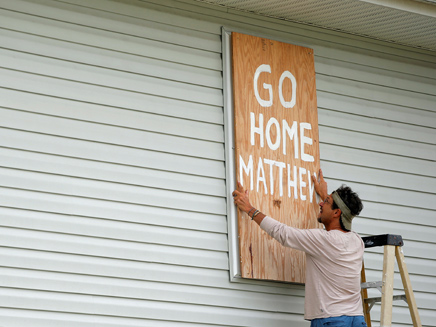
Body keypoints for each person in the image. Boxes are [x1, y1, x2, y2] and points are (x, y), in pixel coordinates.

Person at [232, 169, 367, 327]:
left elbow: (283, 233)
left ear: (337, 212)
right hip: (357, 319)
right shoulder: (357, 241)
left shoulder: (323, 240)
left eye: (326, 202)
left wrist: (249, 208)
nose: (320, 203)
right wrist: (326, 196)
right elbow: (341, 220)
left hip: (332, 320)